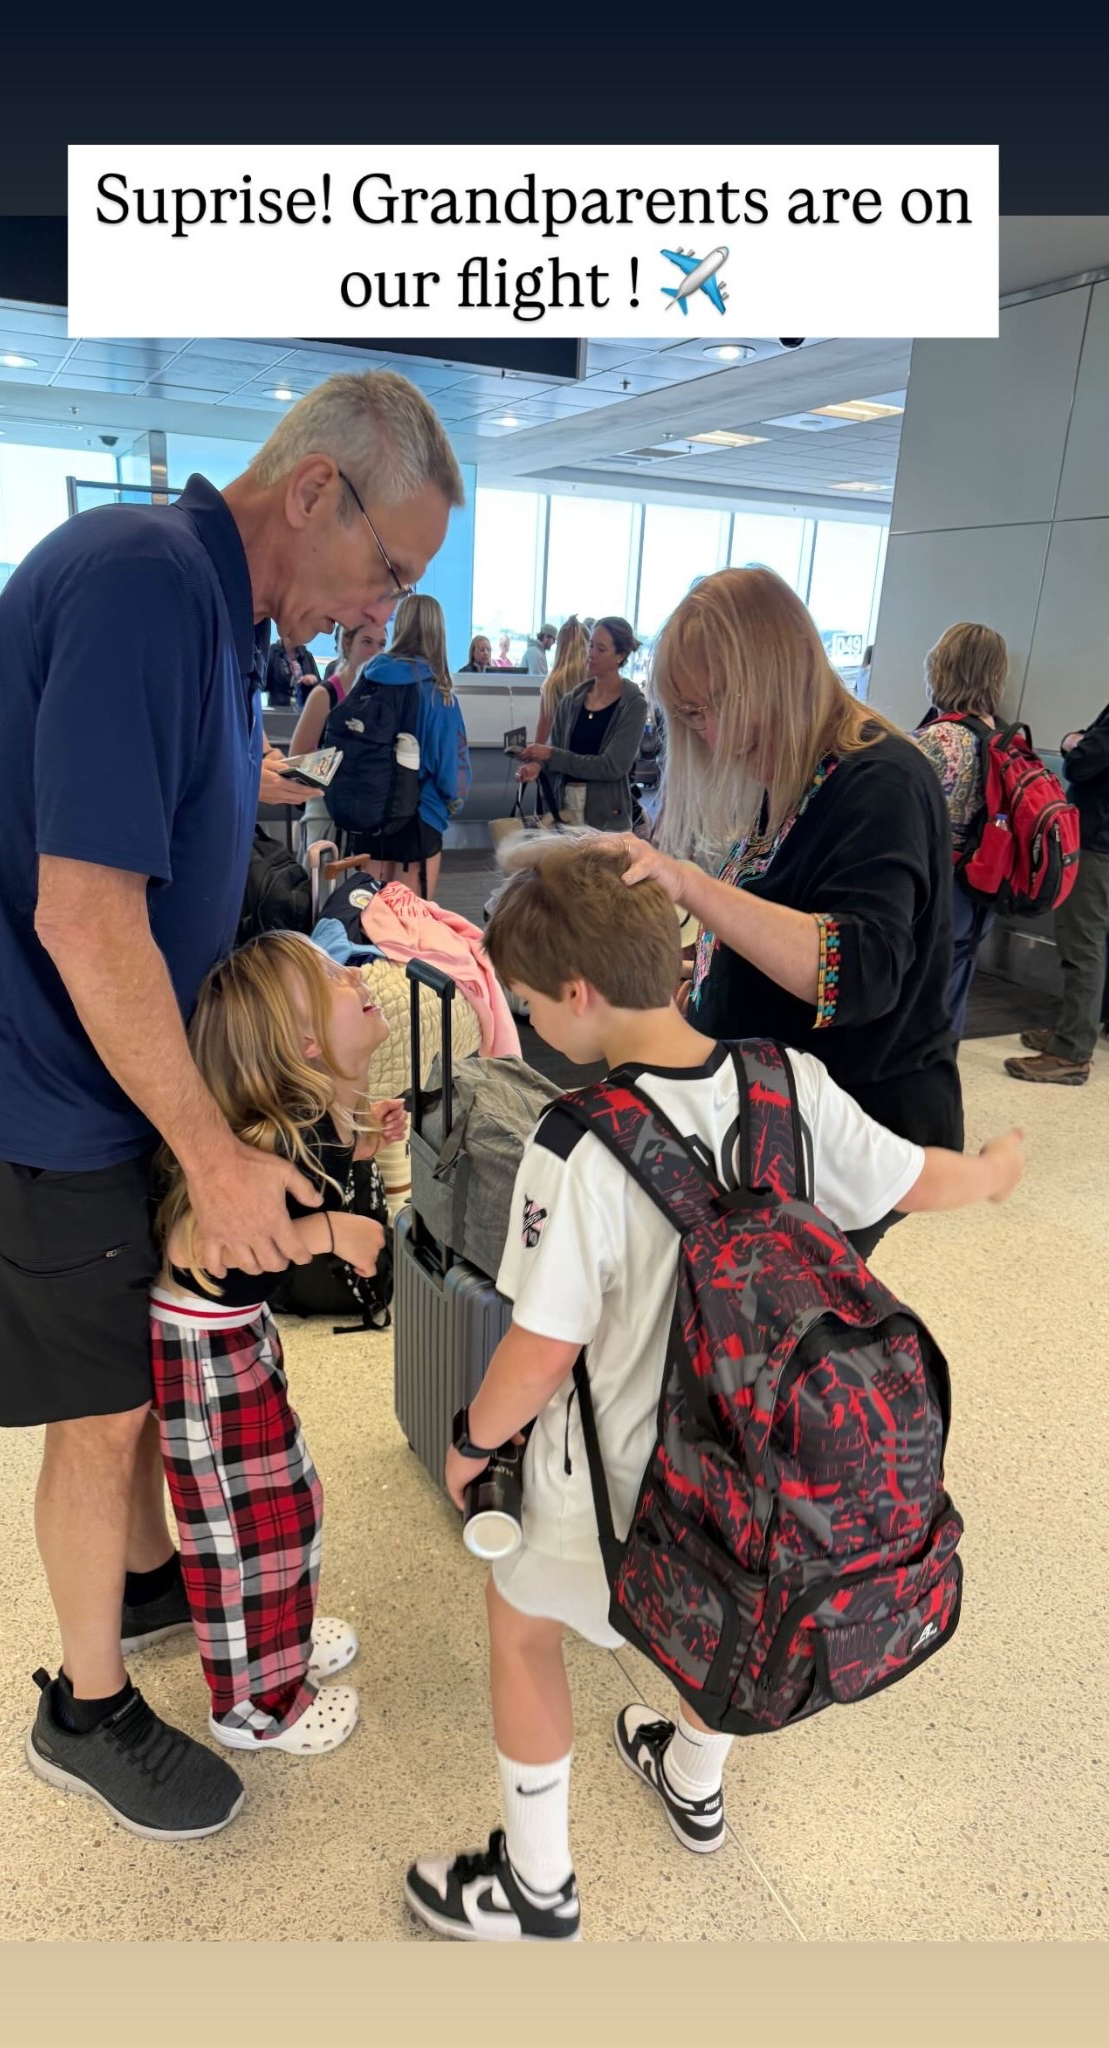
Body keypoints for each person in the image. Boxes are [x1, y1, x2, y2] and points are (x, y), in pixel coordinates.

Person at [0, 368, 462, 1842]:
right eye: (389, 571)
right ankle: (86, 1709)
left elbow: (181, 863)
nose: (382, 613)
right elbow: (89, 920)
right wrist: (210, 1154)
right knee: (102, 1419)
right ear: (315, 491)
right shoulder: (144, 592)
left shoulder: (210, 619)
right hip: (45, 1095)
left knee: (123, 1379)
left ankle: (145, 1587)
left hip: (105, 1079)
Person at [404, 835, 1026, 1943]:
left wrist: (466, 1436)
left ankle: (537, 1885)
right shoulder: (793, 1081)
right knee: (741, 1603)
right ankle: (693, 1772)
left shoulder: (577, 1142)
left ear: (583, 993)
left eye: (537, 1005)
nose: (537, 1027)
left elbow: (544, 1346)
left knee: (521, 1622)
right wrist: (990, 1174)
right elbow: (913, 1173)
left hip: (612, 1482)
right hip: (755, 1469)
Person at [615, 567, 961, 1263]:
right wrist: (704, 972)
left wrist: (691, 887)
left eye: (711, 708)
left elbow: (853, 971)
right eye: (688, 717)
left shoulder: (880, 782)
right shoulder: (799, 773)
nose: (710, 735)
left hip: (850, 1128)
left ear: (774, 673)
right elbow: (780, 914)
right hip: (778, 1118)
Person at [154, 933, 404, 1754]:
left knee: (287, 1506)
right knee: (246, 1529)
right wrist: (334, 1232)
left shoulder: (301, 1121)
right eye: (334, 977)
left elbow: (325, 1164)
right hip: (205, 1360)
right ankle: (255, 1709)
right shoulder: (260, 1148)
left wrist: (370, 1134)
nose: (358, 974)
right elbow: (221, 1242)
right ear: (302, 1045)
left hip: (235, 1345)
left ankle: (280, 1649)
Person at [912, 623, 1009, 1038]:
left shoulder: (935, 743)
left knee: (912, 1016)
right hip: (978, 895)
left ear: (941, 670)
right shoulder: (1002, 736)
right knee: (949, 1007)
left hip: (933, 896)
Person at [1005, 702, 1109, 1086]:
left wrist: (1070, 742)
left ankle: (1071, 1052)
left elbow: (1082, 761)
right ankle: (1073, 1030)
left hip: (1098, 843)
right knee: (1091, 943)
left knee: (1083, 945)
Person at [348, 591, 470, 898]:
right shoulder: (439, 695)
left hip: (368, 815)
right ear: (438, 633)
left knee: (365, 918)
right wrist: (452, 804)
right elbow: (452, 774)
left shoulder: (367, 678)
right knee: (409, 926)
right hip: (419, 819)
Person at [520, 616, 647, 833]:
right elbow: (558, 751)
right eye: (590, 646)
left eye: (601, 649)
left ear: (620, 655)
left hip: (607, 819)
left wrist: (551, 756)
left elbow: (612, 766)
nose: (592, 654)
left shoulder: (633, 705)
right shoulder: (572, 701)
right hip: (564, 813)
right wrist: (537, 766)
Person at [289, 621, 389, 853]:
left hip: (368, 817)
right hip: (326, 816)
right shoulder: (325, 695)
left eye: (381, 644)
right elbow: (296, 761)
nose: (375, 651)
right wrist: (342, 763)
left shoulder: (381, 696)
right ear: (347, 643)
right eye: (366, 642)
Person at [533, 614, 588, 746]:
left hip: (560, 757)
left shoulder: (552, 685)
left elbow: (543, 728)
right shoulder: (596, 680)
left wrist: (532, 759)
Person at [265, 632, 321, 708]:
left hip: (303, 710)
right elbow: (263, 684)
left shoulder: (307, 655)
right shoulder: (273, 653)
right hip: (279, 710)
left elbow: (319, 685)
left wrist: (314, 680)